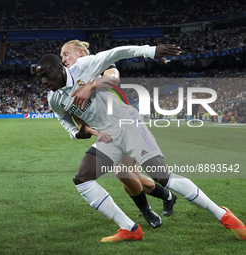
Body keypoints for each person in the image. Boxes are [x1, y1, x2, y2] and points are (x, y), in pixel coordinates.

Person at [36, 44, 246, 242]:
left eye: (46, 75)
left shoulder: (84, 66)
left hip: (128, 124)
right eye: (40, 78)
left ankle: (223, 215)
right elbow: (62, 117)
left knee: (162, 175)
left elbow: (117, 53)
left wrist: (151, 51)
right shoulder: (54, 97)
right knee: (82, 179)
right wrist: (74, 132)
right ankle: (129, 228)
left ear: (59, 68)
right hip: (109, 137)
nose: (44, 81)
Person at [60, 40, 177, 228]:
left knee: (123, 172)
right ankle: (168, 196)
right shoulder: (69, 84)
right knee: (131, 174)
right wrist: (94, 132)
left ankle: (148, 211)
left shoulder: (99, 63)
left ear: (81, 52)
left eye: (66, 54)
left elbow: (113, 78)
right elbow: (78, 119)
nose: (63, 59)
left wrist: (90, 85)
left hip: (126, 124)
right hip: (108, 133)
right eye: (61, 57)